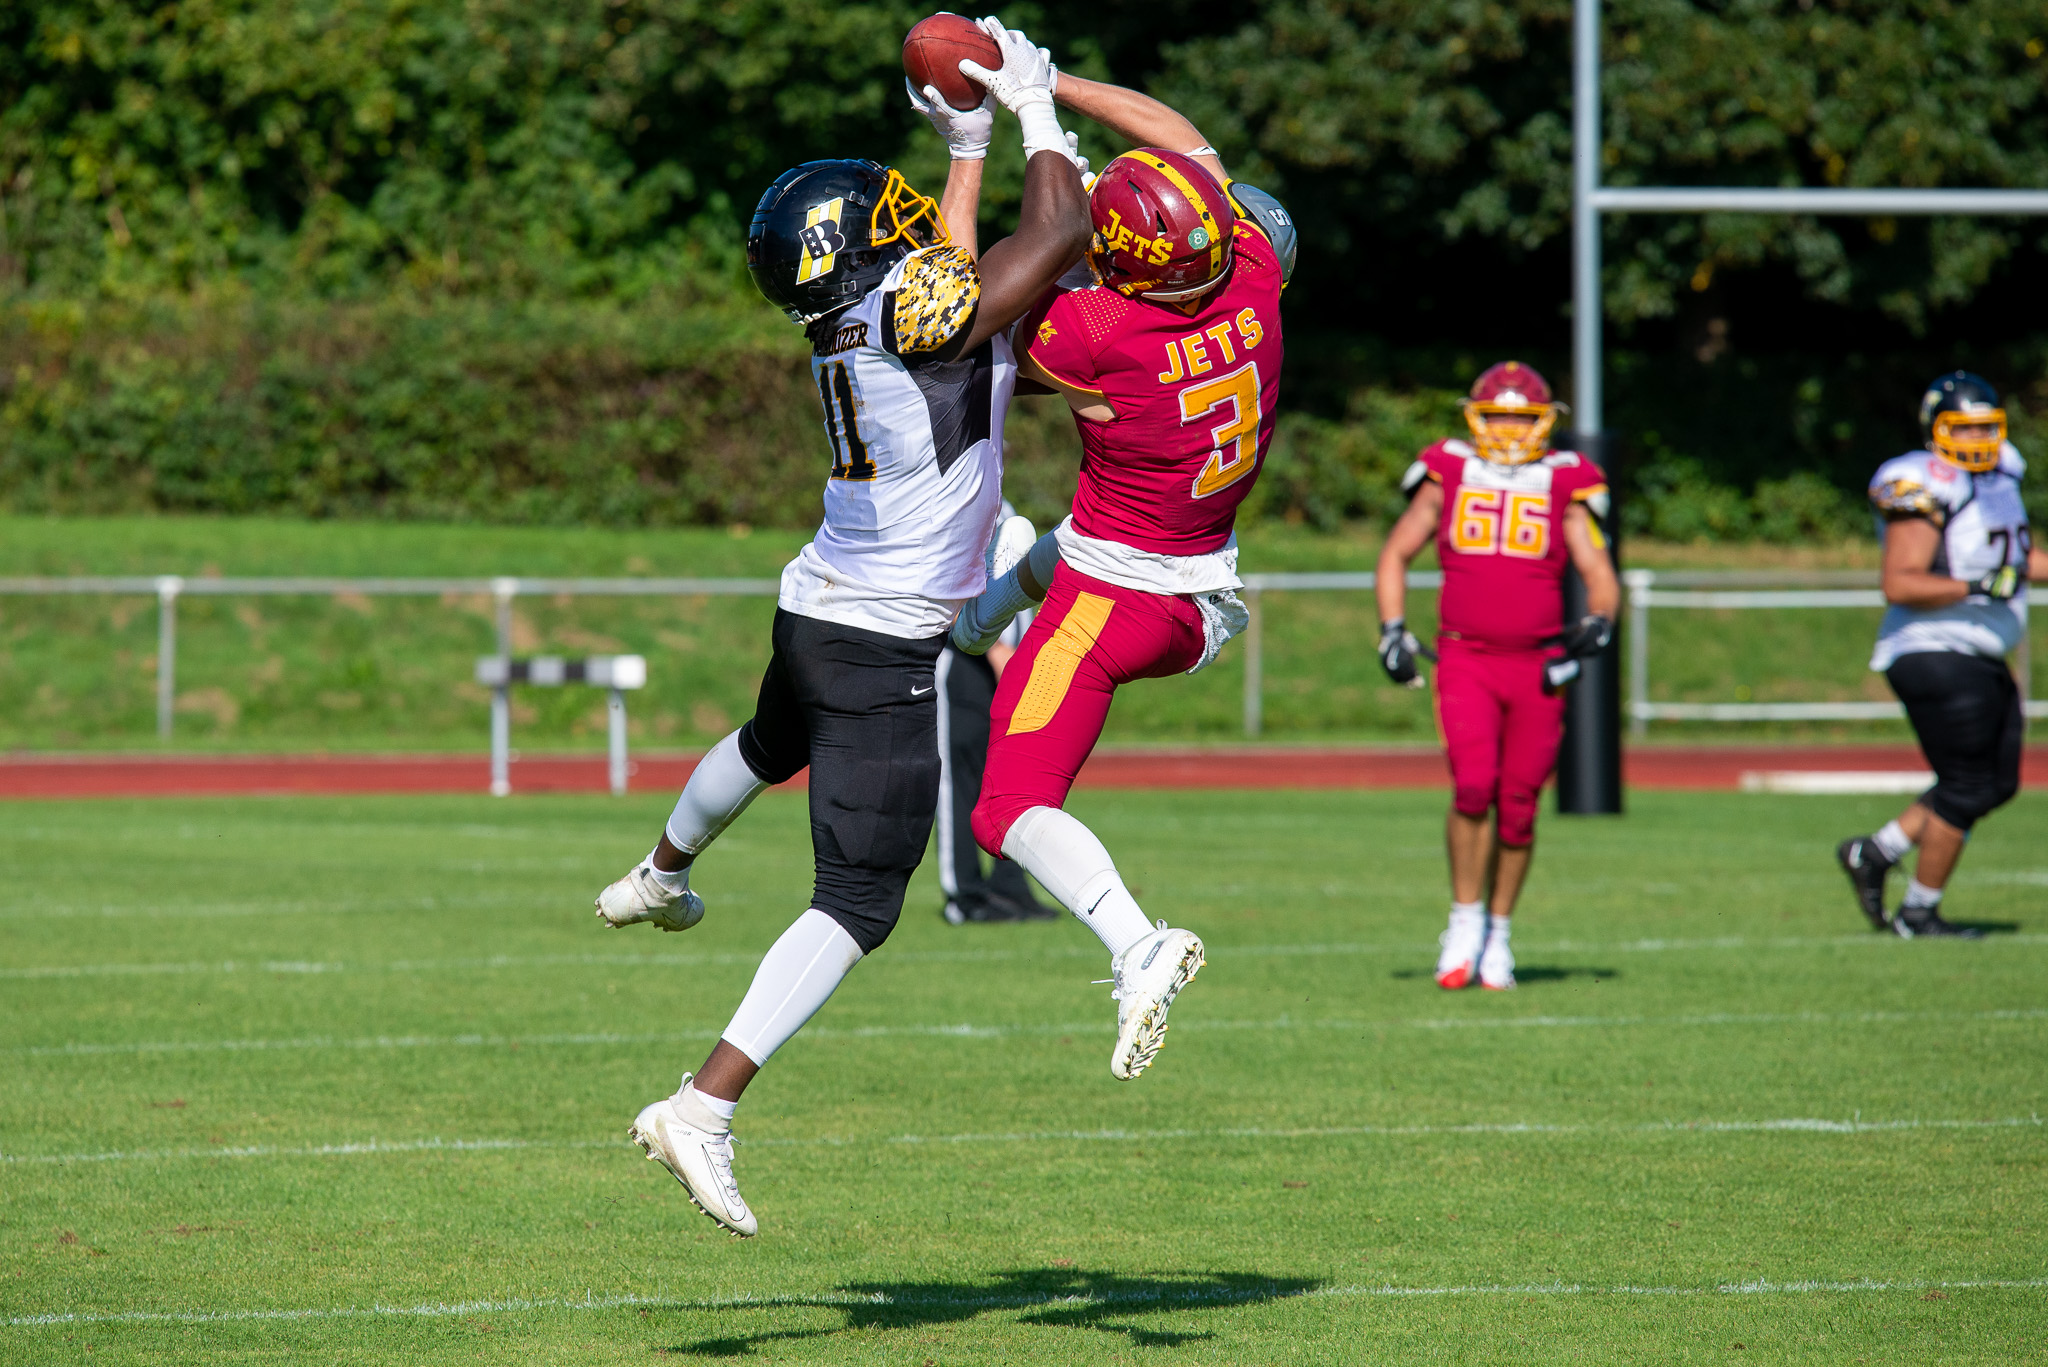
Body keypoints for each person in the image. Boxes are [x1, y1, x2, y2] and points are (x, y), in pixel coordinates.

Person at [586, 21, 1090, 1238]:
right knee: (860, 899)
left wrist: (963, 147)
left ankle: (659, 874)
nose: (907, 215)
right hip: (880, 646)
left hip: (815, 604)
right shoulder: (920, 313)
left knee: (766, 742)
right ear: (864, 243)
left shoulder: (853, 319)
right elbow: (1059, 234)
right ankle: (700, 1106)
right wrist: (1030, 111)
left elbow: (949, 281)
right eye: (890, 211)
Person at [950, 71, 1298, 1081]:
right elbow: (1184, 135)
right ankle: (985, 613)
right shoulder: (1253, 277)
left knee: (1003, 804)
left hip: (1112, 606)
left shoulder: (1097, 337)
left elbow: (974, 294)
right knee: (1056, 547)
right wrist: (1047, 77)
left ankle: (1134, 941)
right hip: (1196, 595)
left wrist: (1026, 127)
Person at [1375, 361, 1619, 991]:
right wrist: (1393, 627)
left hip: (1538, 664)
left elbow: (1598, 571)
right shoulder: (1450, 468)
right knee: (1473, 786)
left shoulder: (1564, 480)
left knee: (1519, 807)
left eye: (1521, 416)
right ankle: (1462, 923)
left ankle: (1499, 935)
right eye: (1500, 415)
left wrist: (1601, 619)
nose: (1510, 430)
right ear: (1476, 419)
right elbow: (1397, 552)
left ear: (1544, 424)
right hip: (1466, 657)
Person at [1836, 371, 2046, 938]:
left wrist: (2002, 581)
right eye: (1965, 428)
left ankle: (1876, 852)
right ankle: (1919, 911)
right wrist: (1980, 588)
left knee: (1995, 783)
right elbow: (1901, 582)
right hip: (1933, 646)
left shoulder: (2003, 475)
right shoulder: (1923, 479)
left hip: (1980, 648)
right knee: (1968, 785)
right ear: (1936, 429)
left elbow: (2016, 562)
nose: (1978, 440)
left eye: (1987, 429)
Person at [937, 507, 1060, 924]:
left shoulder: (1001, 503)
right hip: (967, 663)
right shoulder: (958, 497)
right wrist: (994, 649)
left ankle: (1012, 888)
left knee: (1012, 781)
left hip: (1011, 663)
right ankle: (964, 896)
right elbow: (942, 579)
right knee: (960, 779)